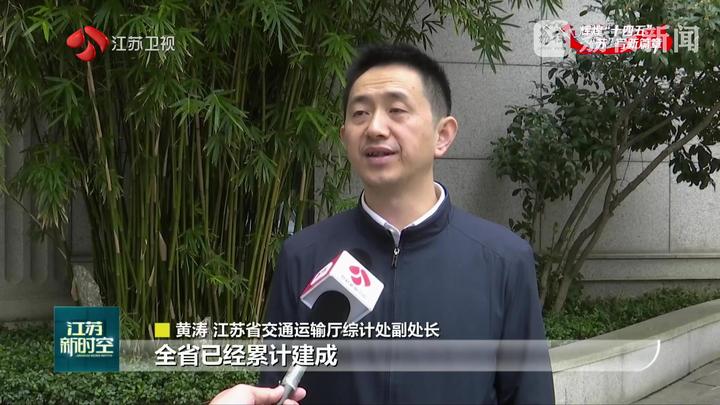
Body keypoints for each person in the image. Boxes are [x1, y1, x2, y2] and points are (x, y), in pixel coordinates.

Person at [213, 43, 554, 404]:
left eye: (396, 110)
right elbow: (275, 388)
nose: (375, 127)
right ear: (345, 137)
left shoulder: (503, 260)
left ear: (442, 135)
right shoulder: (302, 255)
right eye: (360, 113)